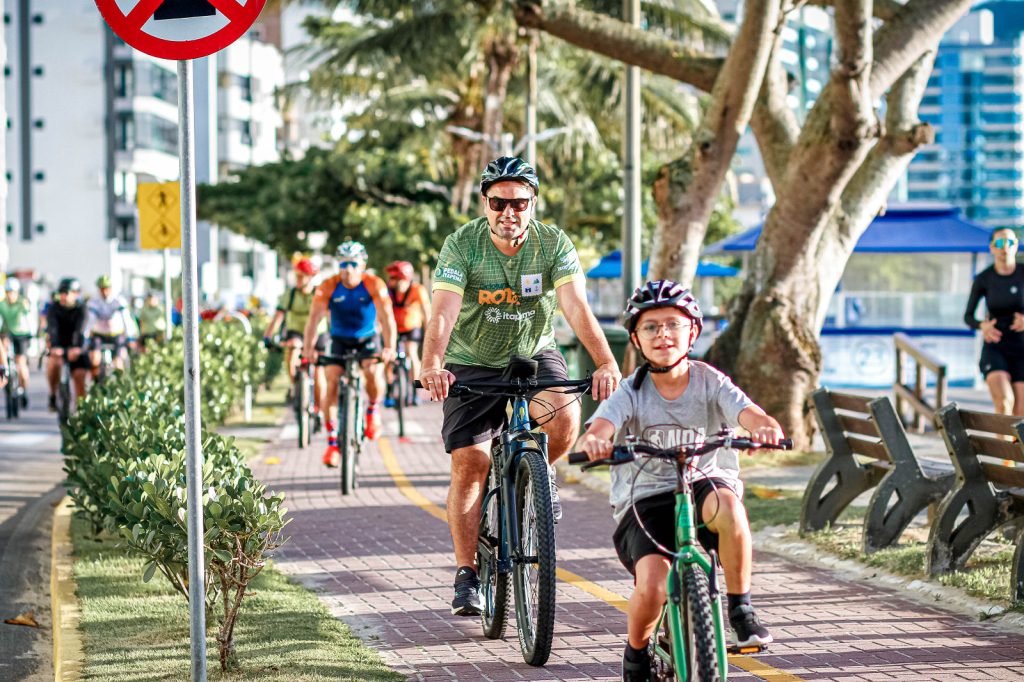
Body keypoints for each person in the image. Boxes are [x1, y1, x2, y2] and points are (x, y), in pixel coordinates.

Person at [419, 155, 622, 617]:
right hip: (471, 360)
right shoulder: (462, 244)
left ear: (533, 204)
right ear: (485, 203)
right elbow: (444, 310)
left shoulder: (553, 243)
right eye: (499, 202)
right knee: (471, 462)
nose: (508, 212)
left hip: (533, 354)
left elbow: (575, 306)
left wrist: (605, 361)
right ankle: (467, 574)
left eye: (519, 203)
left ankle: (538, 473)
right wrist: (433, 362)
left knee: (566, 416)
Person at [577, 280, 784, 680]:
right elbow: (601, 426)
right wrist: (596, 442)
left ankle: (741, 608)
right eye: (650, 327)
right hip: (646, 499)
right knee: (653, 586)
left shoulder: (710, 381)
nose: (663, 335)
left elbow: (751, 414)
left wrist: (764, 428)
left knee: (730, 508)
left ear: (693, 332)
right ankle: (636, 654)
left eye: (673, 324)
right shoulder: (630, 391)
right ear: (636, 339)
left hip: (705, 484)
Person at [303, 241, 397, 468]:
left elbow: (386, 318)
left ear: (362, 264)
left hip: (367, 338)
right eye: (343, 264)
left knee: (373, 372)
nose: (348, 269)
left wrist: (389, 346)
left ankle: (373, 409)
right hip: (339, 340)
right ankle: (333, 443)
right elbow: (314, 320)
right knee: (331, 382)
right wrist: (308, 349)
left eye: (353, 264)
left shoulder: (374, 283)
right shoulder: (328, 286)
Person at [965, 228, 1024, 416]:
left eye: (1010, 242)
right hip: (995, 345)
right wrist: (982, 325)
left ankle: (1015, 446)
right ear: (992, 248)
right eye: (999, 243)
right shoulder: (984, 278)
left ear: (1016, 245)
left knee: (1021, 411)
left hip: (1021, 346)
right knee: (1005, 401)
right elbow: (968, 317)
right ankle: (1000, 446)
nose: (1004, 247)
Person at [264, 258, 328, 418]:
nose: (298, 279)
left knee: (319, 373)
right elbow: (278, 317)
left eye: (302, 276)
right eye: (297, 275)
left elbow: (329, 314)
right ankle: (296, 386)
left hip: (317, 332)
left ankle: (319, 409)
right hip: (296, 331)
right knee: (292, 349)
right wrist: (267, 336)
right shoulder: (290, 294)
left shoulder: (318, 294)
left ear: (311, 277)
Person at [383, 260, 431, 406]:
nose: (391, 281)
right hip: (393, 328)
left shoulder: (418, 290)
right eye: (391, 278)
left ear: (405, 279)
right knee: (388, 356)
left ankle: (415, 390)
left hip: (411, 327)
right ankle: (389, 389)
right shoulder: (387, 291)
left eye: (395, 278)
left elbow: (426, 313)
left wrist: (429, 334)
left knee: (411, 353)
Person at [46, 278, 91, 407]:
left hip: (76, 347)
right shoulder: (53, 308)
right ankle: (53, 394)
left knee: (80, 376)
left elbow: (81, 330)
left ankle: (82, 410)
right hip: (59, 345)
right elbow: (52, 329)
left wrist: (77, 348)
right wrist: (55, 347)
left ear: (76, 294)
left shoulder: (82, 309)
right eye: (61, 292)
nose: (63, 296)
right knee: (53, 363)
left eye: (66, 292)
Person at [85, 275, 135, 375]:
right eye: (102, 288)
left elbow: (126, 319)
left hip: (116, 334)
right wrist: (85, 336)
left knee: (118, 364)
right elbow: (89, 320)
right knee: (95, 359)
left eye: (107, 288)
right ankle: (96, 383)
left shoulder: (119, 301)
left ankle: (119, 384)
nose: (104, 291)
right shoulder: (93, 302)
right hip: (99, 334)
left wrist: (130, 337)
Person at [0, 278, 33, 405]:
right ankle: (6, 368)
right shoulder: (2, 304)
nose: (10, 295)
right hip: (6, 332)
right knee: (4, 347)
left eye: (12, 292)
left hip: (22, 334)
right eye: (8, 292)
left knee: (20, 362)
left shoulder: (22, 302)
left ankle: (24, 389)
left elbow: (28, 312)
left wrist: (26, 306)